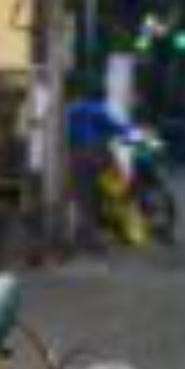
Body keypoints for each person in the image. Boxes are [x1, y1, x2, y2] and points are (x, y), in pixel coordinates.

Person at [65, 82, 131, 250]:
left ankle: (83, 235)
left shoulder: (72, 108)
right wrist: (136, 134)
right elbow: (120, 129)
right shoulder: (99, 109)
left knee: (83, 197)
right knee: (104, 193)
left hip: (74, 156)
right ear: (102, 96)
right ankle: (93, 238)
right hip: (95, 157)